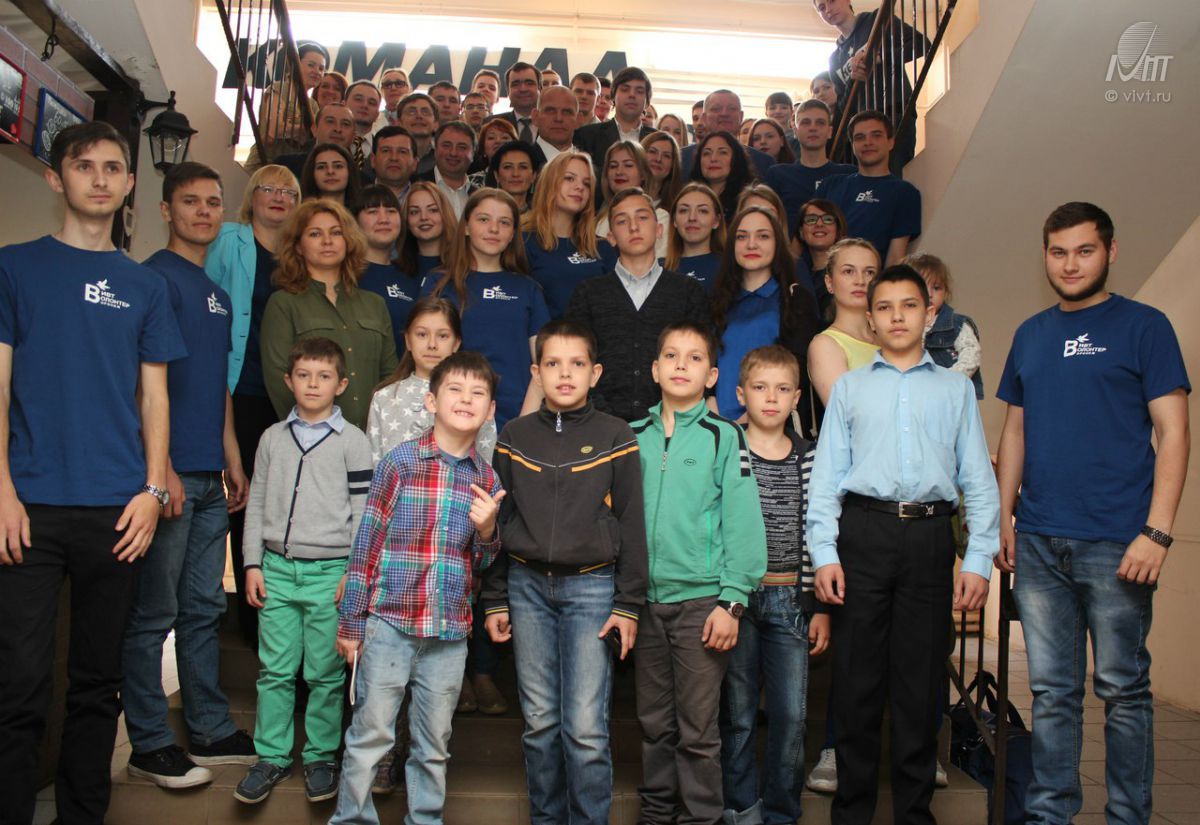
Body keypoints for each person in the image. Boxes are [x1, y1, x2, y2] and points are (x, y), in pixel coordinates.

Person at [0, 121, 185, 825]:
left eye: (113, 167)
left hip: (117, 509)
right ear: (57, 178)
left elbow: (155, 397)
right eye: (84, 166)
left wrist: (152, 489)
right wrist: (1, 489)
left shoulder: (145, 286)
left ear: (130, 183)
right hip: (28, 507)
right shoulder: (15, 267)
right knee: (19, 683)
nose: (100, 178)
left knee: (96, 683)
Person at [995, 202, 1190, 825]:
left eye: (1084, 250)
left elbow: (1174, 432)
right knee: (1052, 693)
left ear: (1110, 252)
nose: (1070, 264)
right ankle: (1050, 815)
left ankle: (1128, 817)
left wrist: (1157, 532)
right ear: (1045, 257)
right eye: (1058, 252)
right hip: (1039, 540)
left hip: (1119, 542)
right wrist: (1003, 517)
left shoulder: (1145, 327)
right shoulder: (1030, 334)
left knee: (1123, 691)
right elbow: (1015, 431)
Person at [807, 264, 999, 825]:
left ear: (929, 314)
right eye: (885, 307)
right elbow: (826, 479)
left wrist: (979, 558)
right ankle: (852, 813)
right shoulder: (850, 387)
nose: (897, 316)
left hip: (930, 539)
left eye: (909, 305)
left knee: (919, 685)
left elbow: (977, 481)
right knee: (857, 684)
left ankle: (915, 814)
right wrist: (825, 554)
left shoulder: (955, 390)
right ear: (870, 319)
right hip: (863, 535)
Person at [120, 162, 255, 791]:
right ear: (166, 210)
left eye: (213, 202)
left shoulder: (217, 295)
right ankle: (149, 742)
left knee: (202, 609)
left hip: (208, 475)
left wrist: (232, 456)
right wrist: (162, 470)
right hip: (168, 478)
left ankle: (208, 729)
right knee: (155, 613)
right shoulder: (151, 280)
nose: (203, 212)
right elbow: (141, 384)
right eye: (191, 202)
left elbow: (215, 385)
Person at [328, 350, 504, 825]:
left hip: (448, 635)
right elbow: (367, 545)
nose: (465, 399)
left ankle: (424, 818)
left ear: (490, 410)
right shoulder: (400, 463)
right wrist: (352, 622)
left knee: (433, 745)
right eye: (455, 389)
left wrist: (488, 531)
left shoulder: (486, 479)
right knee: (370, 736)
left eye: (478, 393)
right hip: (390, 625)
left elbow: (481, 564)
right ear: (431, 400)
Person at [483, 320, 648, 825]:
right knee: (539, 723)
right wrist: (494, 597)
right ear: (536, 372)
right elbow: (499, 519)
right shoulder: (514, 436)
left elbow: (632, 523)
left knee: (585, 728)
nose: (565, 374)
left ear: (595, 373)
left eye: (577, 364)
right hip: (526, 588)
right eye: (553, 364)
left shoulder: (616, 435)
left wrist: (628, 604)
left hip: (592, 589)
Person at [631, 321, 767, 825]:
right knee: (654, 725)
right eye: (671, 355)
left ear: (711, 376)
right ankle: (656, 816)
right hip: (644, 604)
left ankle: (700, 818)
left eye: (694, 358)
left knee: (697, 730)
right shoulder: (631, 437)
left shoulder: (725, 437)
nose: (681, 365)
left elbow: (743, 522)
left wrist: (732, 600)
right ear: (655, 369)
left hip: (703, 606)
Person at [234, 337, 373, 805]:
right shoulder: (272, 438)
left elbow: (364, 514)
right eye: (304, 375)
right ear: (288, 380)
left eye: (324, 376)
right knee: (274, 671)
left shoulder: (353, 442)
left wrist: (353, 573)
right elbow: (256, 504)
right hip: (276, 569)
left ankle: (320, 757)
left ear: (341, 384)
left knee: (325, 674)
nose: (313, 384)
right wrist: (252, 563)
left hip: (330, 574)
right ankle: (271, 756)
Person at [719, 344, 830, 825]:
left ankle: (782, 812)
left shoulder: (810, 457)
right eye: (760, 387)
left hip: (791, 601)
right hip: (737, 601)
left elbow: (819, 532)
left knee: (790, 715)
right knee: (738, 715)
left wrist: (819, 606)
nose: (771, 398)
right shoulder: (727, 448)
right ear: (741, 393)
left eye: (782, 389)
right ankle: (740, 809)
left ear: (797, 397)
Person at [206, 163, 301, 644]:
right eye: (268, 188)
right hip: (238, 385)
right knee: (241, 496)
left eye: (289, 191)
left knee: (280, 501)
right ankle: (245, 614)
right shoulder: (229, 240)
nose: (278, 197)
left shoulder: (299, 253)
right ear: (252, 196)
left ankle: (278, 609)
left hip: (285, 393)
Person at [565, 188, 710, 422]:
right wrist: (604, 420)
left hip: (673, 425)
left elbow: (703, 359)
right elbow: (575, 361)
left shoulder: (688, 291)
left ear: (659, 229)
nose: (633, 227)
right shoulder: (587, 293)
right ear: (611, 237)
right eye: (622, 221)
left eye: (642, 217)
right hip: (599, 426)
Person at [260, 199, 400, 430]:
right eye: (315, 234)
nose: (327, 241)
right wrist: (312, 433)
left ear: (348, 241)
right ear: (298, 246)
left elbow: (390, 378)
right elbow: (279, 380)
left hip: (373, 439)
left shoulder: (375, 304)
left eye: (336, 232)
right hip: (311, 439)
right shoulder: (283, 303)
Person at [423, 188, 550, 430]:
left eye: (504, 222)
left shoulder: (528, 289)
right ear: (466, 227)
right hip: (453, 419)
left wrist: (523, 426)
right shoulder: (439, 283)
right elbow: (425, 359)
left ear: (512, 234)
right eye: (483, 219)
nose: (494, 229)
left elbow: (544, 364)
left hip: (517, 418)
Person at [710, 206, 819, 422]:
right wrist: (712, 411)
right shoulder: (716, 301)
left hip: (772, 422)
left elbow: (796, 369)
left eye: (763, 236)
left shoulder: (794, 298)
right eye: (742, 237)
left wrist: (749, 419)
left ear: (777, 243)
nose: (751, 244)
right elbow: (703, 361)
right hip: (717, 424)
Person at [365, 297, 497, 465]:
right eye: (422, 334)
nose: (432, 344)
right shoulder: (384, 397)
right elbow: (374, 464)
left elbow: (485, 465)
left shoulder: (474, 398)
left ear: (456, 343)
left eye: (443, 336)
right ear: (408, 340)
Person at [812, 0, 929, 173]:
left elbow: (921, 44)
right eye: (822, 8)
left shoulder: (876, 20)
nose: (828, 9)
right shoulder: (835, 59)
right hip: (862, 126)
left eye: (832, 1)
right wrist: (853, 79)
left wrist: (879, 58)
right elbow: (843, 105)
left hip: (894, 114)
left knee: (893, 176)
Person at [819, 110, 921, 267]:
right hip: (823, 275)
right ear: (853, 145)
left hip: (870, 278)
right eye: (860, 137)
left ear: (891, 142)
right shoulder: (830, 185)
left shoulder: (905, 193)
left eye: (876, 135)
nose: (868, 142)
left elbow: (895, 257)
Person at [521, 150, 614, 319]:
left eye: (586, 183)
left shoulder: (602, 247)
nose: (580, 187)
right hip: (544, 334)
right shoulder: (523, 242)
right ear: (549, 183)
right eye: (569, 178)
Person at [764, 99, 856, 236]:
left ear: (830, 131)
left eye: (820, 122)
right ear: (795, 130)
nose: (813, 128)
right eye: (806, 122)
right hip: (790, 249)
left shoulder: (848, 175)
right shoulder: (777, 174)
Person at [806, 237, 879, 408]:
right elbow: (845, 413)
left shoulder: (891, 338)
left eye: (869, 272)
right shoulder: (824, 345)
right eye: (848, 271)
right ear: (829, 282)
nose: (860, 281)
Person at [906, 252, 983, 400]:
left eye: (936, 288)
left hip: (953, 394)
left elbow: (971, 355)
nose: (929, 294)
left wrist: (948, 380)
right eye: (922, 286)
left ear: (946, 292)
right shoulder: (903, 323)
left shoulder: (956, 323)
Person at [355, 185, 415, 355]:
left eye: (391, 211)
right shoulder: (346, 275)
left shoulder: (410, 276)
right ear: (355, 222)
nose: (383, 219)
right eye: (372, 211)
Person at [247, 41, 327, 169]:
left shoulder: (313, 104)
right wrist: (304, 128)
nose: (317, 71)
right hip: (264, 164)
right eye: (311, 65)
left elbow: (316, 137)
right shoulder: (278, 88)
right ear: (295, 65)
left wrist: (291, 128)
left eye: (321, 68)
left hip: (292, 169)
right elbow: (272, 131)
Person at [595, 140, 671, 259]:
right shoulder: (599, 220)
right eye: (613, 166)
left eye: (628, 165)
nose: (619, 172)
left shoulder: (660, 217)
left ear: (643, 174)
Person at [572, 66, 656, 173]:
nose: (632, 95)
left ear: (647, 101)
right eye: (625, 89)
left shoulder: (656, 139)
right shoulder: (587, 135)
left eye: (639, 91)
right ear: (613, 97)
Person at [681, 90, 775, 179]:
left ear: (741, 116)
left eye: (732, 108)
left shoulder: (763, 162)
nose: (724, 113)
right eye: (716, 109)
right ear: (704, 118)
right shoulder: (681, 158)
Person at [792, 198, 849, 322]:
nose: (819, 224)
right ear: (801, 232)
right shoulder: (796, 276)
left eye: (828, 219)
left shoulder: (848, 275)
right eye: (811, 219)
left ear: (838, 230)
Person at [665, 182, 726, 293]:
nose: (692, 218)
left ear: (716, 221)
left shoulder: (728, 268)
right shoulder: (658, 269)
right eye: (684, 210)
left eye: (703, 211)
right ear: (674, 220)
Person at [273, 103, 356, 182]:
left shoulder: (359, 178)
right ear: (314, 129)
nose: (338, 129)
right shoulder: (285, 166)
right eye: (330, 121)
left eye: (345, 124)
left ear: (353, 136)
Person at [689, 130, 758, 224]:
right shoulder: (687, 197)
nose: (713, 158)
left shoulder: (749, 201)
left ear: (736, 159)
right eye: (706, 153)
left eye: (723, 152)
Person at [398, 181, 458, 287]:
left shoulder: (464, 265)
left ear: (445, 214)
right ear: (406, 219)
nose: (424, 217)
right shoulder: (396, 268)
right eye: (414, 212)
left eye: (433, 210)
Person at [417, 120, 478, 219]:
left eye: (462, 147)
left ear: (473, 153)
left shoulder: (479, 196)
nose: (453, 153)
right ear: (435, 149)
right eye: (446, 145)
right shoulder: (415, 185)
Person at [300, 142, 362, 210]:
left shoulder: (363, 213)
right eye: (321, 167)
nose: (330, 171)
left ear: (349, 171)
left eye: (338, 166)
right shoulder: (301, 214)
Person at [485, 140, 540, 212]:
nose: (515, 174)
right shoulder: (483, 213)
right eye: (508, 167)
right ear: (496, 175)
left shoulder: (542, 217)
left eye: (523, 167)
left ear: (534, 175)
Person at [530, 85, 578, 166]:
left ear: (578, 120)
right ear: (535, 117)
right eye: (550, 111)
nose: (559, 118)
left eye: (567, 112)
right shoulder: (522, 163)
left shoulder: (590, 167)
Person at [369, 124, 418, 201]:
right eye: (386, 151)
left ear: (415, 163)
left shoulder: (430, 199)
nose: (394, 158)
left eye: (402, 152)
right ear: (373, 160)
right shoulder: (356, 199)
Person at [396, 92, 439, 177]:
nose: (419, 116)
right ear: (399, 122)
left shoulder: (446, 154)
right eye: (411, 112)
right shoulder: (383, 152)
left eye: (425, 112)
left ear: (436, 124)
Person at [497, 61, 542, 138]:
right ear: (508, 91)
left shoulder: (554, 123)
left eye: (529, 83)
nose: (523, 89)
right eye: (515, 84)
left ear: (540, 88)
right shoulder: (492, 124)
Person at [641, 130, 684, 211]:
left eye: (666, 156)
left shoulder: (678, 205)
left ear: (673, 165)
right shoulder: (624, 195)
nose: (658, 159)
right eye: (653, 151)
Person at [345, 80, 383, 169]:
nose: (365, 105)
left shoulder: (382, 148)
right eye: (358, 99)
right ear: (344, 104)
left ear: (377, 114)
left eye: (372, 103)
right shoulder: (329, 141)